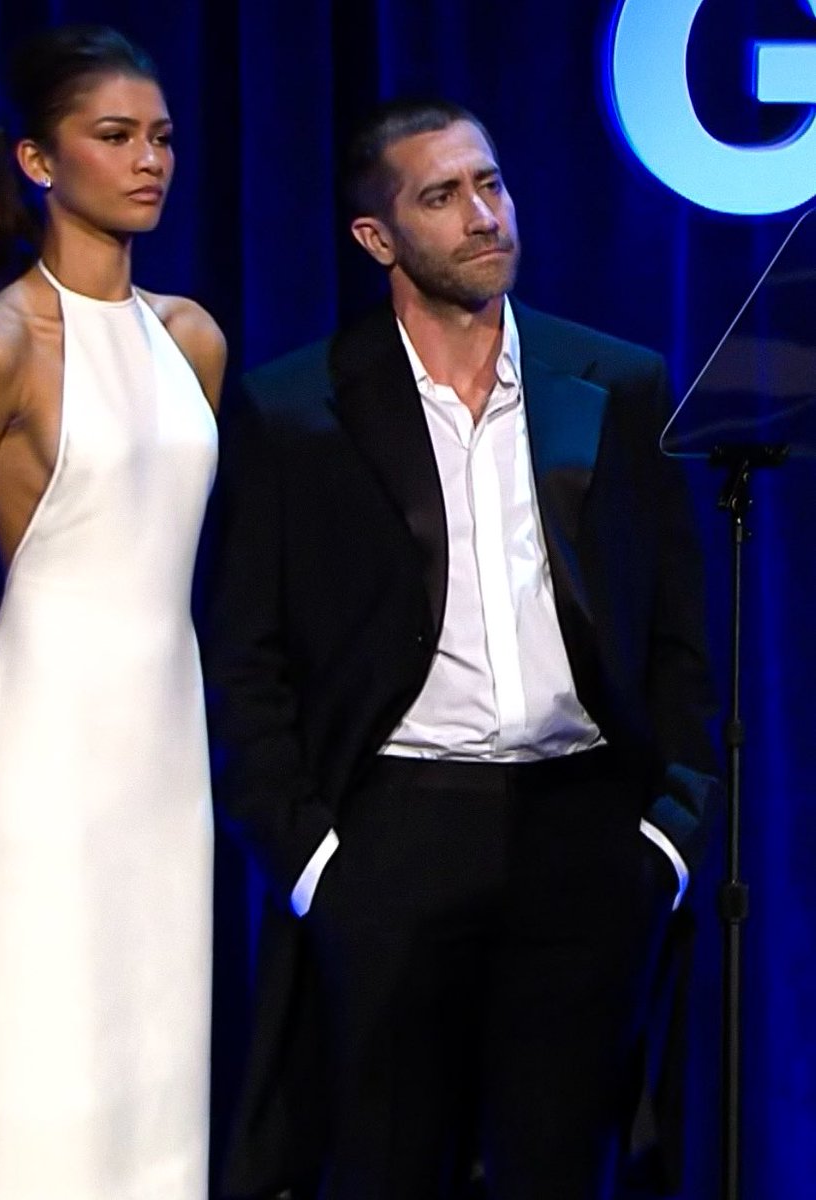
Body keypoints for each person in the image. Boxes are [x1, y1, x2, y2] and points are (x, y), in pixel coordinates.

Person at [204, 98, 719, 1200]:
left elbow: (679, 630)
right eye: (441, 196)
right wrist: (313, 861)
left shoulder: (617, 382)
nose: (484, 216)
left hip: (584, 831)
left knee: (562, 1169)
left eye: (490, 183)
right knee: (386, 1168)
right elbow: (245, 658)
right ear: (377, 237)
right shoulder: (294, 409)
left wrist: (669, 837)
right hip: (394, 834)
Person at [0, 25, 225, 1199]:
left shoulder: (191, 339)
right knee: (34, 1104)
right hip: (33, 778)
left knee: (157, 1098)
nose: (150, 161)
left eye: (162, 138)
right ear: (39, 160)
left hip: (165, 770)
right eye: (116, 136)